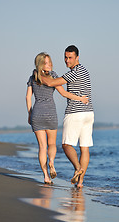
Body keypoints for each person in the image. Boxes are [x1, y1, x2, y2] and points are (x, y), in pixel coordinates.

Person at [26, 52, 89, 185]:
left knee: (42, 147)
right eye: (46, 63)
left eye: (50, 62)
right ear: (41, 64)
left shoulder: (32, 78)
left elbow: (28, 97)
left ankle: (46, 176)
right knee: (52, 144)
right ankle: (52, 162)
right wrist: (80, 98)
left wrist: (30, 114)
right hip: (50, 113)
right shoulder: (53, 75)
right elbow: (63, 93)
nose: (49, 65)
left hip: (37, 113)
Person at [40, 45, 94, 188]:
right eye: (65, 57)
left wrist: (40, 74)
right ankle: (80, 182)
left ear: (77, 57)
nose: (67, 60)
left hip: (75, 112)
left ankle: (77, 168)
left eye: (70, 57)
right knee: (85, 148)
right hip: (89, 113)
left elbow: (52, 83)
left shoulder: (73, 73)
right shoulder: (85, 70)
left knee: (66, 145)